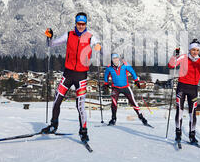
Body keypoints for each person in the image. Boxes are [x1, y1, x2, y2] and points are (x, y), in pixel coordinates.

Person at [41, 12, 101, 142]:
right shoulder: (68, 35)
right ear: (75, 23)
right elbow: (51, 45)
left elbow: (97, 45)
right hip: (67, 74)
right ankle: (53, 125)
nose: (80, 26)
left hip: (81, 76)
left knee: (80, 106)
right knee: (57, 100)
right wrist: (50, 37)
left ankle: (83, 131)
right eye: (79, 24)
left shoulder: (90, 37)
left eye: (83, 24)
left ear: (86, 24)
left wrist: (97, 47)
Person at [167, 39, 200, 144]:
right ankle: (178, 133)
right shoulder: (183, 57)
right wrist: (174, 55)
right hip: (182, 87)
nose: (195, 52)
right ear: (189, 49)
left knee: (192, 113)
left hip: (193, 88)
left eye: (197, 50)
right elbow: (171, 65)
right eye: (193, 50)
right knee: (179, 111)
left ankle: (192, 135)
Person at [103, 53, 150, 127]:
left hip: (125, 87)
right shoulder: (109, 67)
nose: (115, 60)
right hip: (115, 88)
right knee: (114, 103)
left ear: (119, 58)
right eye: (113, 59)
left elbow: (132, 72)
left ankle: (142, 117)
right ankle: (113, 119)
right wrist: (105, 83)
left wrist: (136, 80)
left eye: (116, 58)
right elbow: (106, 75)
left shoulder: (125, 64)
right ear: (112, 60)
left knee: (133, 102)